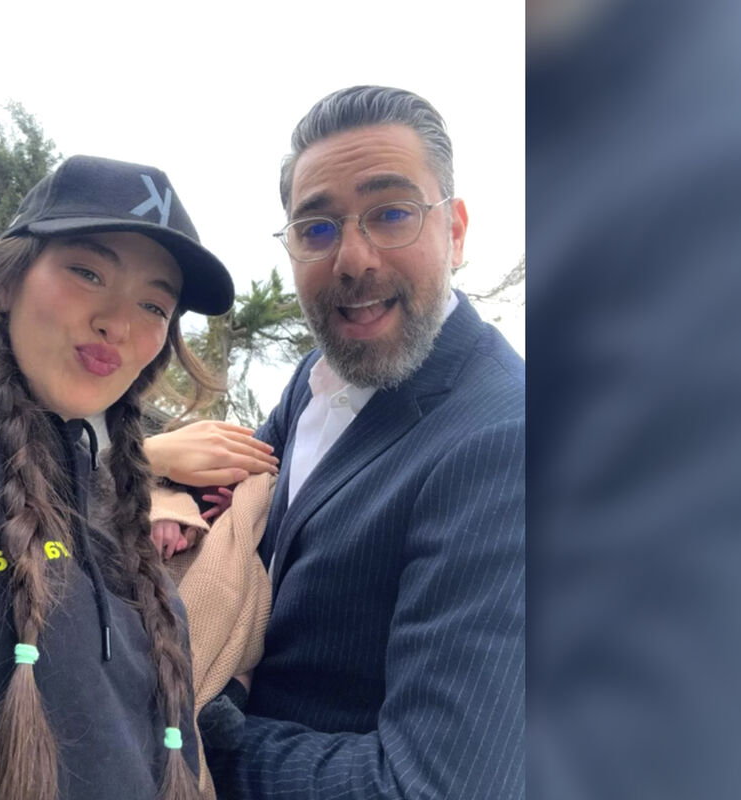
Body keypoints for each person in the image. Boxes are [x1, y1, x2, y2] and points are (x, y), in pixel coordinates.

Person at [0, 155, 238, 800]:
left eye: (153, 304)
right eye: (87, 272)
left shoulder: (115, 515)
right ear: (5, 282)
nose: (118, 321)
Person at [191, 86, 526, 799]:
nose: (352, 259)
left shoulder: (505, 442)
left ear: (455, 231)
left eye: (392, 214)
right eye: (316, 228)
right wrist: (141, 461)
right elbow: (233, 508)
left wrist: (170, 728)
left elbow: (431, 786)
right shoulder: (319, 374)